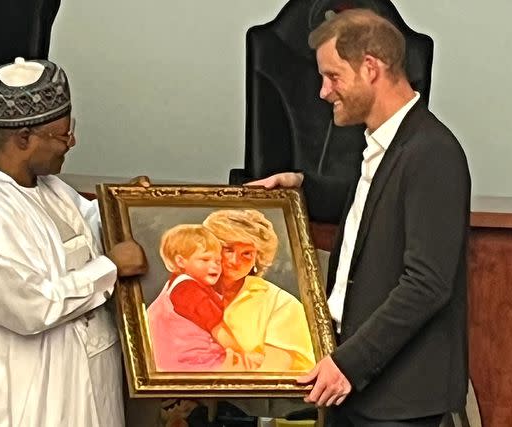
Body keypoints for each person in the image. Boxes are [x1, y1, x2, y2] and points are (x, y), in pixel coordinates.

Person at [251, 9, 471, 426]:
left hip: (396, 401)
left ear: (371, 68)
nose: (323, 92)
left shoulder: (433, 152)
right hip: (358, 389)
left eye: (333, 76)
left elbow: (426, 285)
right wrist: (300, 185)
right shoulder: (388, 145)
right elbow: (372, 208)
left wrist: (349, 364)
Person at [0, 57, 147, 427]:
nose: (71, 143)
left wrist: (130, 207)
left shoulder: (50, 188)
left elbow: (88, 227)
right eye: (61, 135)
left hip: (83, 386)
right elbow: (31, 306)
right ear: (23, 137)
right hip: (25, 400)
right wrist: (110, 269)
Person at [203, 209, 315, 372]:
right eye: (228, 249)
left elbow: (272, 374)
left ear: (258, 258)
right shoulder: (186, 289)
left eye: (247, 253)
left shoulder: (283, 305)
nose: (235, 261)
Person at [147, 224, 261, 371]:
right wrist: (245, 354)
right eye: (205, 259)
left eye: (218, 261)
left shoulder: (177, 284)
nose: (214, 266)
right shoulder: (189, 291)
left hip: (171, 363)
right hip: (198, 364)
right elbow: (219, 331)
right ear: (181, 261)